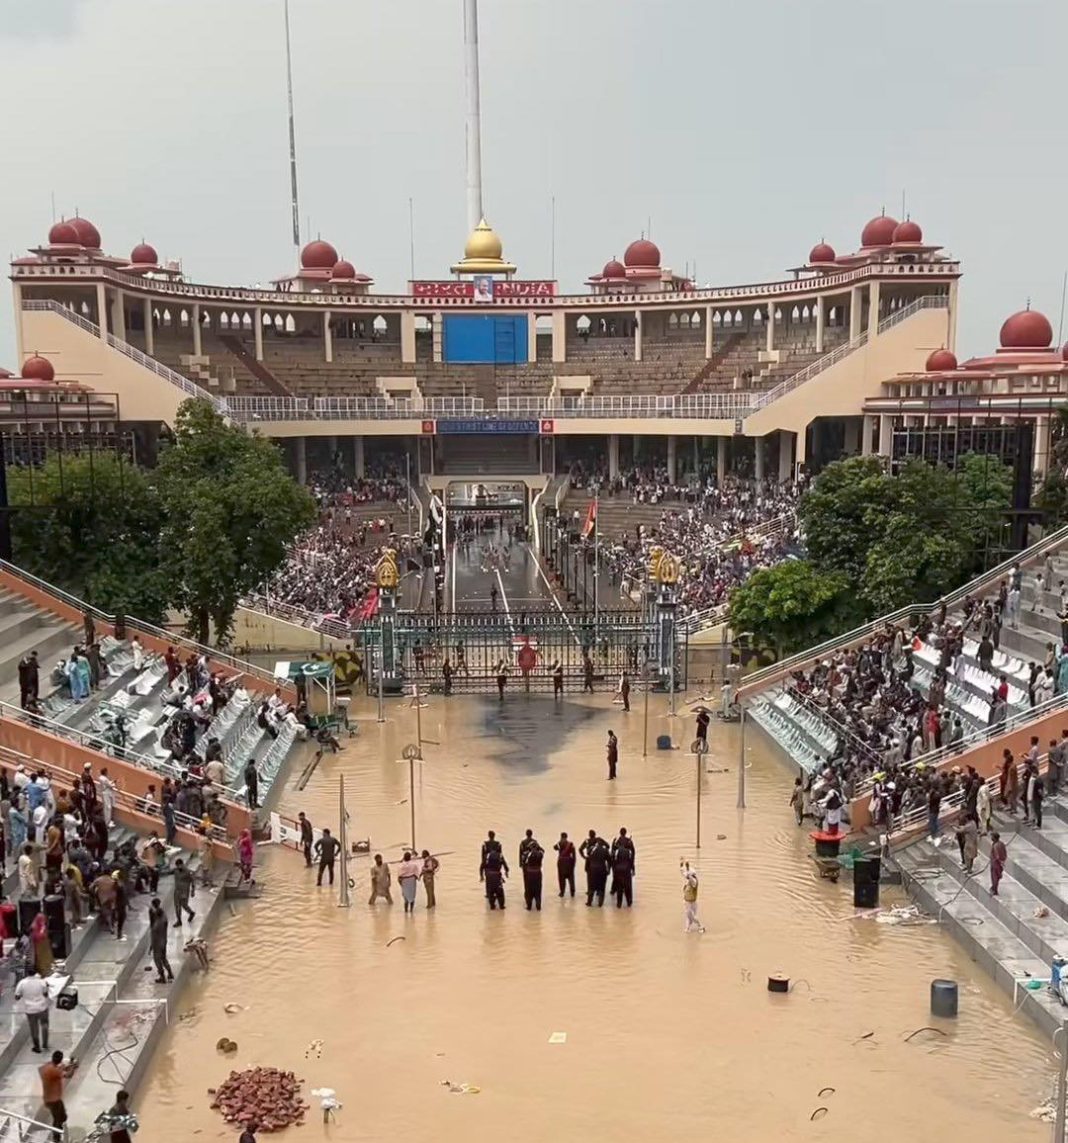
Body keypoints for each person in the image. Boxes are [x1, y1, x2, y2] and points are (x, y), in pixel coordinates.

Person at [15, 969, 50, 1053]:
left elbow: (17, 996)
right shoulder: (41, 981)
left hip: (30, 1009)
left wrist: (23, 995)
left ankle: (36, 1046)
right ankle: (45, 1044)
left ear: (27, 973)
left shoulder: (22, 983)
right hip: (42, 1007)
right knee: (44, 1024)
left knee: (34, 1028)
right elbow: (45, 993)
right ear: (35, 973)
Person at [39, 1049, 72, 1138]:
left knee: (62, 1116)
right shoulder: (54, 1071)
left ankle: (59, 1129)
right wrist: (72, 1066)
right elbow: (68, 1075)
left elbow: (56, 1069)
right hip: (53, 1100)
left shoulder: (48, 1066)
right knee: (57, 1119)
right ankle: (56, 1137)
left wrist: (62, 1067)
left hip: (51, 1098)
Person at [580, 830, 610, 907]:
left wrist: (584, 857)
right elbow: (608, 846)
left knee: (590, 881)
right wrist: (604, 850)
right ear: (595, 834)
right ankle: (599, 900)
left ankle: (590, 899)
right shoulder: (599, 840)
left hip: (590, 862)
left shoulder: (587, 841)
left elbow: (580, 849)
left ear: (589, 835)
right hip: (601, 863)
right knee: (601, 884)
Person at [149, 898, 174, 983]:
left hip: (157, 943)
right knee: (163, 958)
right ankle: (170, 973)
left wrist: (151, 946)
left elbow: (154, 935)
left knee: (157, 960)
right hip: (164, 941)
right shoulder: (164, 916)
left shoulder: (156, 924)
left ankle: (162, 976)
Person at [611, 828, 636, 908]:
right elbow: (632, 857)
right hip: (627, 869)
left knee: (619, 887)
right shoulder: (629, 843)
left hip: (618, 870)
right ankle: (629, 903)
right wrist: (633, 869)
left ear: (620, 833)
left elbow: (612, 856)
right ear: (625, 833)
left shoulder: (616, 842)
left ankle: (619, 904)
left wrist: (614, 869)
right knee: (628, 886)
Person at [522, 836, 544, 911]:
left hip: (530, 874)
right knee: (538, 890)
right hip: (538, 873)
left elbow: (523, 862)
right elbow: (542, 851)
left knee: (529, 890)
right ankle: (538, 907)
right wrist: (538, 846)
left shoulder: (527, 854)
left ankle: (529, 906)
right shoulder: (540, 854)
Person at [681, 860, 704, 933]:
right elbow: (684, 874)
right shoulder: (689, 880)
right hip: (689, 901)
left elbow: (688, 876)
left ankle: (701, 926)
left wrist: (687, 867)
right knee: (689, 917)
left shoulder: (693, 881)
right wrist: (681, 866)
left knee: (692, 917)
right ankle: (687, 929)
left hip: (691, 902)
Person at [483, 845, 508, 910]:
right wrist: (506, 872)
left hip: (489, 876)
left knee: (491, 891)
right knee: (500, 891)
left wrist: (482, 875)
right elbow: (505, 865)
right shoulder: (500, 855)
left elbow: (482, 866)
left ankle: (492, 906)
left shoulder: (487, 856)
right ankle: (501, 906)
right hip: (497, 876)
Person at [173, 857, 196, 925]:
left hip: (184, 892)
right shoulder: (175, 870)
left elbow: (193, 881)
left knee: (184, 905)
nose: (179, 867)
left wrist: (193, 891)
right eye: (177, 866)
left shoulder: (188, 872)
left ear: (182, 864)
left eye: (180, 865)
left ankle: (191, 913)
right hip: (177, 891)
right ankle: (179, 921)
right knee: (177, 906)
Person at [554, 832, 576, 898]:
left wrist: (559, 842)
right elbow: (574, 854)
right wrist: (573, 863)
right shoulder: (571, 844)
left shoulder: (560, 843)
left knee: (561, 878)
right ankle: (572, 892)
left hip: (561, 862)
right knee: (571, 878)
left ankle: (562, 892)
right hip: (569, 861)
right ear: (567, 837)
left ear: (561, 837)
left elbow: (554, 848)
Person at [990, 831, 1008, 896]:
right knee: (997, 876)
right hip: (999, 863)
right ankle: (994, 888)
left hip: (995, 864)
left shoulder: (995, 846)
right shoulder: (1001, 843)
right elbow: (1005, 853)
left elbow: (997, 856)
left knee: (994, 877)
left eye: (992, 836)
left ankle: (995, 890)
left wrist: (999, 861)